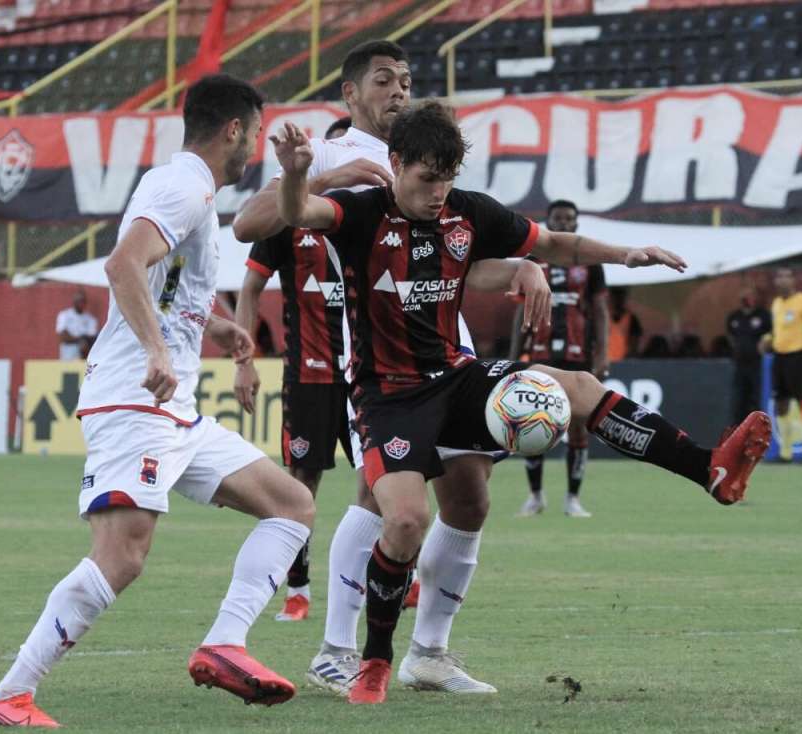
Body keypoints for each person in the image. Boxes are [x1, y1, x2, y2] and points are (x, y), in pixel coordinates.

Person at [272, 100, 772, 705]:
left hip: (456, 378)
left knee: (578, 388)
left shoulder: (467, 213)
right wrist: (298, 170)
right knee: (404, 520)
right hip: (388, 394)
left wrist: (626, 255)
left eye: (448, 179)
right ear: (397, 163)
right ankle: (373, 659)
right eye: (427, 179)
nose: (438, 193)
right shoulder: (360, 212)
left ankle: (709, 468)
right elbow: (297, 211)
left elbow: (555, 242)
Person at [0, 74, 317, 728]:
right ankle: (9, 694)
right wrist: (159, 352)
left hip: (174, 413)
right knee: (123, 555)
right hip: (136, 401)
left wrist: (211, 325)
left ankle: (225, 643)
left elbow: (164, 282)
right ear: (234, 130)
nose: (252, 146)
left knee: (292, 505)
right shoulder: (181, 185)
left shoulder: (191, 191)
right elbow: (123, 265)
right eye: (254, 130)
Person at [234, 39, 550, 696]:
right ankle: (336, 647)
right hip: (380, 355)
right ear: (349, 94)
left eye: (406, 79)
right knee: (377, 497)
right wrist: (317, 177)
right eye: (383, 80)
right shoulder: (327, 151)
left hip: (448, 344)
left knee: (471, 496)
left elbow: (475, 249)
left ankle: (430, 652)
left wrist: (523, 264)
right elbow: (248, 223)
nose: (398, 90)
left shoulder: (429, 153)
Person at [233, 116, 354, 626]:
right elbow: (249, 290)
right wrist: (244, 361)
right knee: (301, 484)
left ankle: (399, 579)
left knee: (387, 477)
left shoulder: (381, 217)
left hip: (367, 374)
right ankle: (298, 591)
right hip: (308, 373)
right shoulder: (289, 217)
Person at [511, 199, 608, 519]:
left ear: (577, 225)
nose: (564, 223)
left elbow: (599, 311)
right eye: (558, 219)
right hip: (539, 354)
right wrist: (514, 355)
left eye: (569, 219)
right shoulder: (533, 260)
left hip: (577, 355)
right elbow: (519, 309)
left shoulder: (591, 263)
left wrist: (602, 354)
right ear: (549, 221)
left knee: (579, 429)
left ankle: (572, 499)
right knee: (532, 426)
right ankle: (535, 496)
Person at [761, 267, 802, 462]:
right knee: (780, 403)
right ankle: (785, 451)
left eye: (786, 276)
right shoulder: (777, 303)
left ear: (794, 280)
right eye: (779, 276)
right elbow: (778, 330)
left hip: (798, 357)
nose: (782, 280)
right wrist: (768, 339)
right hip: (779, 357)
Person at [726, 288, 772, 425]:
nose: (746, 298)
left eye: (749, 295)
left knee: (757, 398)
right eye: (744, 295)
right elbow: (730, 335)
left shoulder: (763, 315)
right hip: (739, 363)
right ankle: (737, 432)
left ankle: (758, 430)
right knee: (739, 400)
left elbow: (771, 333)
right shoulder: (734, 316)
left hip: (757, 363)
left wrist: (764, 345)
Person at [55, 289, 99, 360]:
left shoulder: (91, 319)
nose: (80, 303)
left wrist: (81, 340)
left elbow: (92, 338)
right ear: (74, 301)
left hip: (84, 354)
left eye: (82, 300)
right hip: (68, 352)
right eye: (78, 300)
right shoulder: (64, 315)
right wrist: (81, 340)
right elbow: (63, 336)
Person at [607, 286, 643, 361]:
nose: (618, 300)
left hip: (625, 362)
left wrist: (630, 356)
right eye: (615, 296)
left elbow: (635, 341)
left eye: (621, 296)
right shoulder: (604, 317)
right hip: (607, 360)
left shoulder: (631, 319)